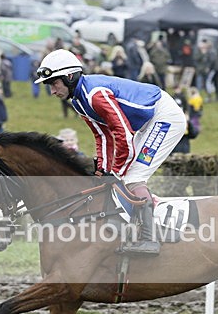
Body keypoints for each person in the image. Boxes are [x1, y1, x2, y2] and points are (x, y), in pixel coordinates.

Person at [34, 48, 187, 255]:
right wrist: (102, 171)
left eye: (54, 83)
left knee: (133, 177)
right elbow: (103, 137)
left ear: (69, 77)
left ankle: (149, 238)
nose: (52, 91)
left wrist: (115, 171)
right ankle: (138, 222)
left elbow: (123, 135)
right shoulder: (78, 102)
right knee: (121, 176)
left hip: (164, 117)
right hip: (147, 123)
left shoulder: (96, 95)